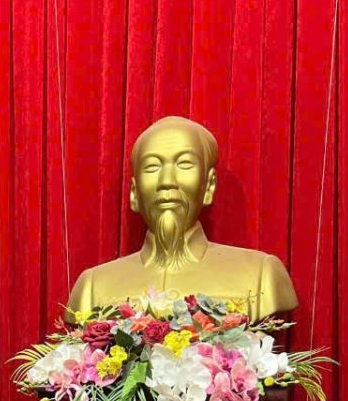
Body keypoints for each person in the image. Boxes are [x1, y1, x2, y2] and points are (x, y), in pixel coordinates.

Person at [67, 115, 299, 322]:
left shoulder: (260, 276)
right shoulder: (93, 287)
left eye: (184, 164)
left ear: (209, 186)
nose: (167, 181)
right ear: (134, 193)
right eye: (152, 166)